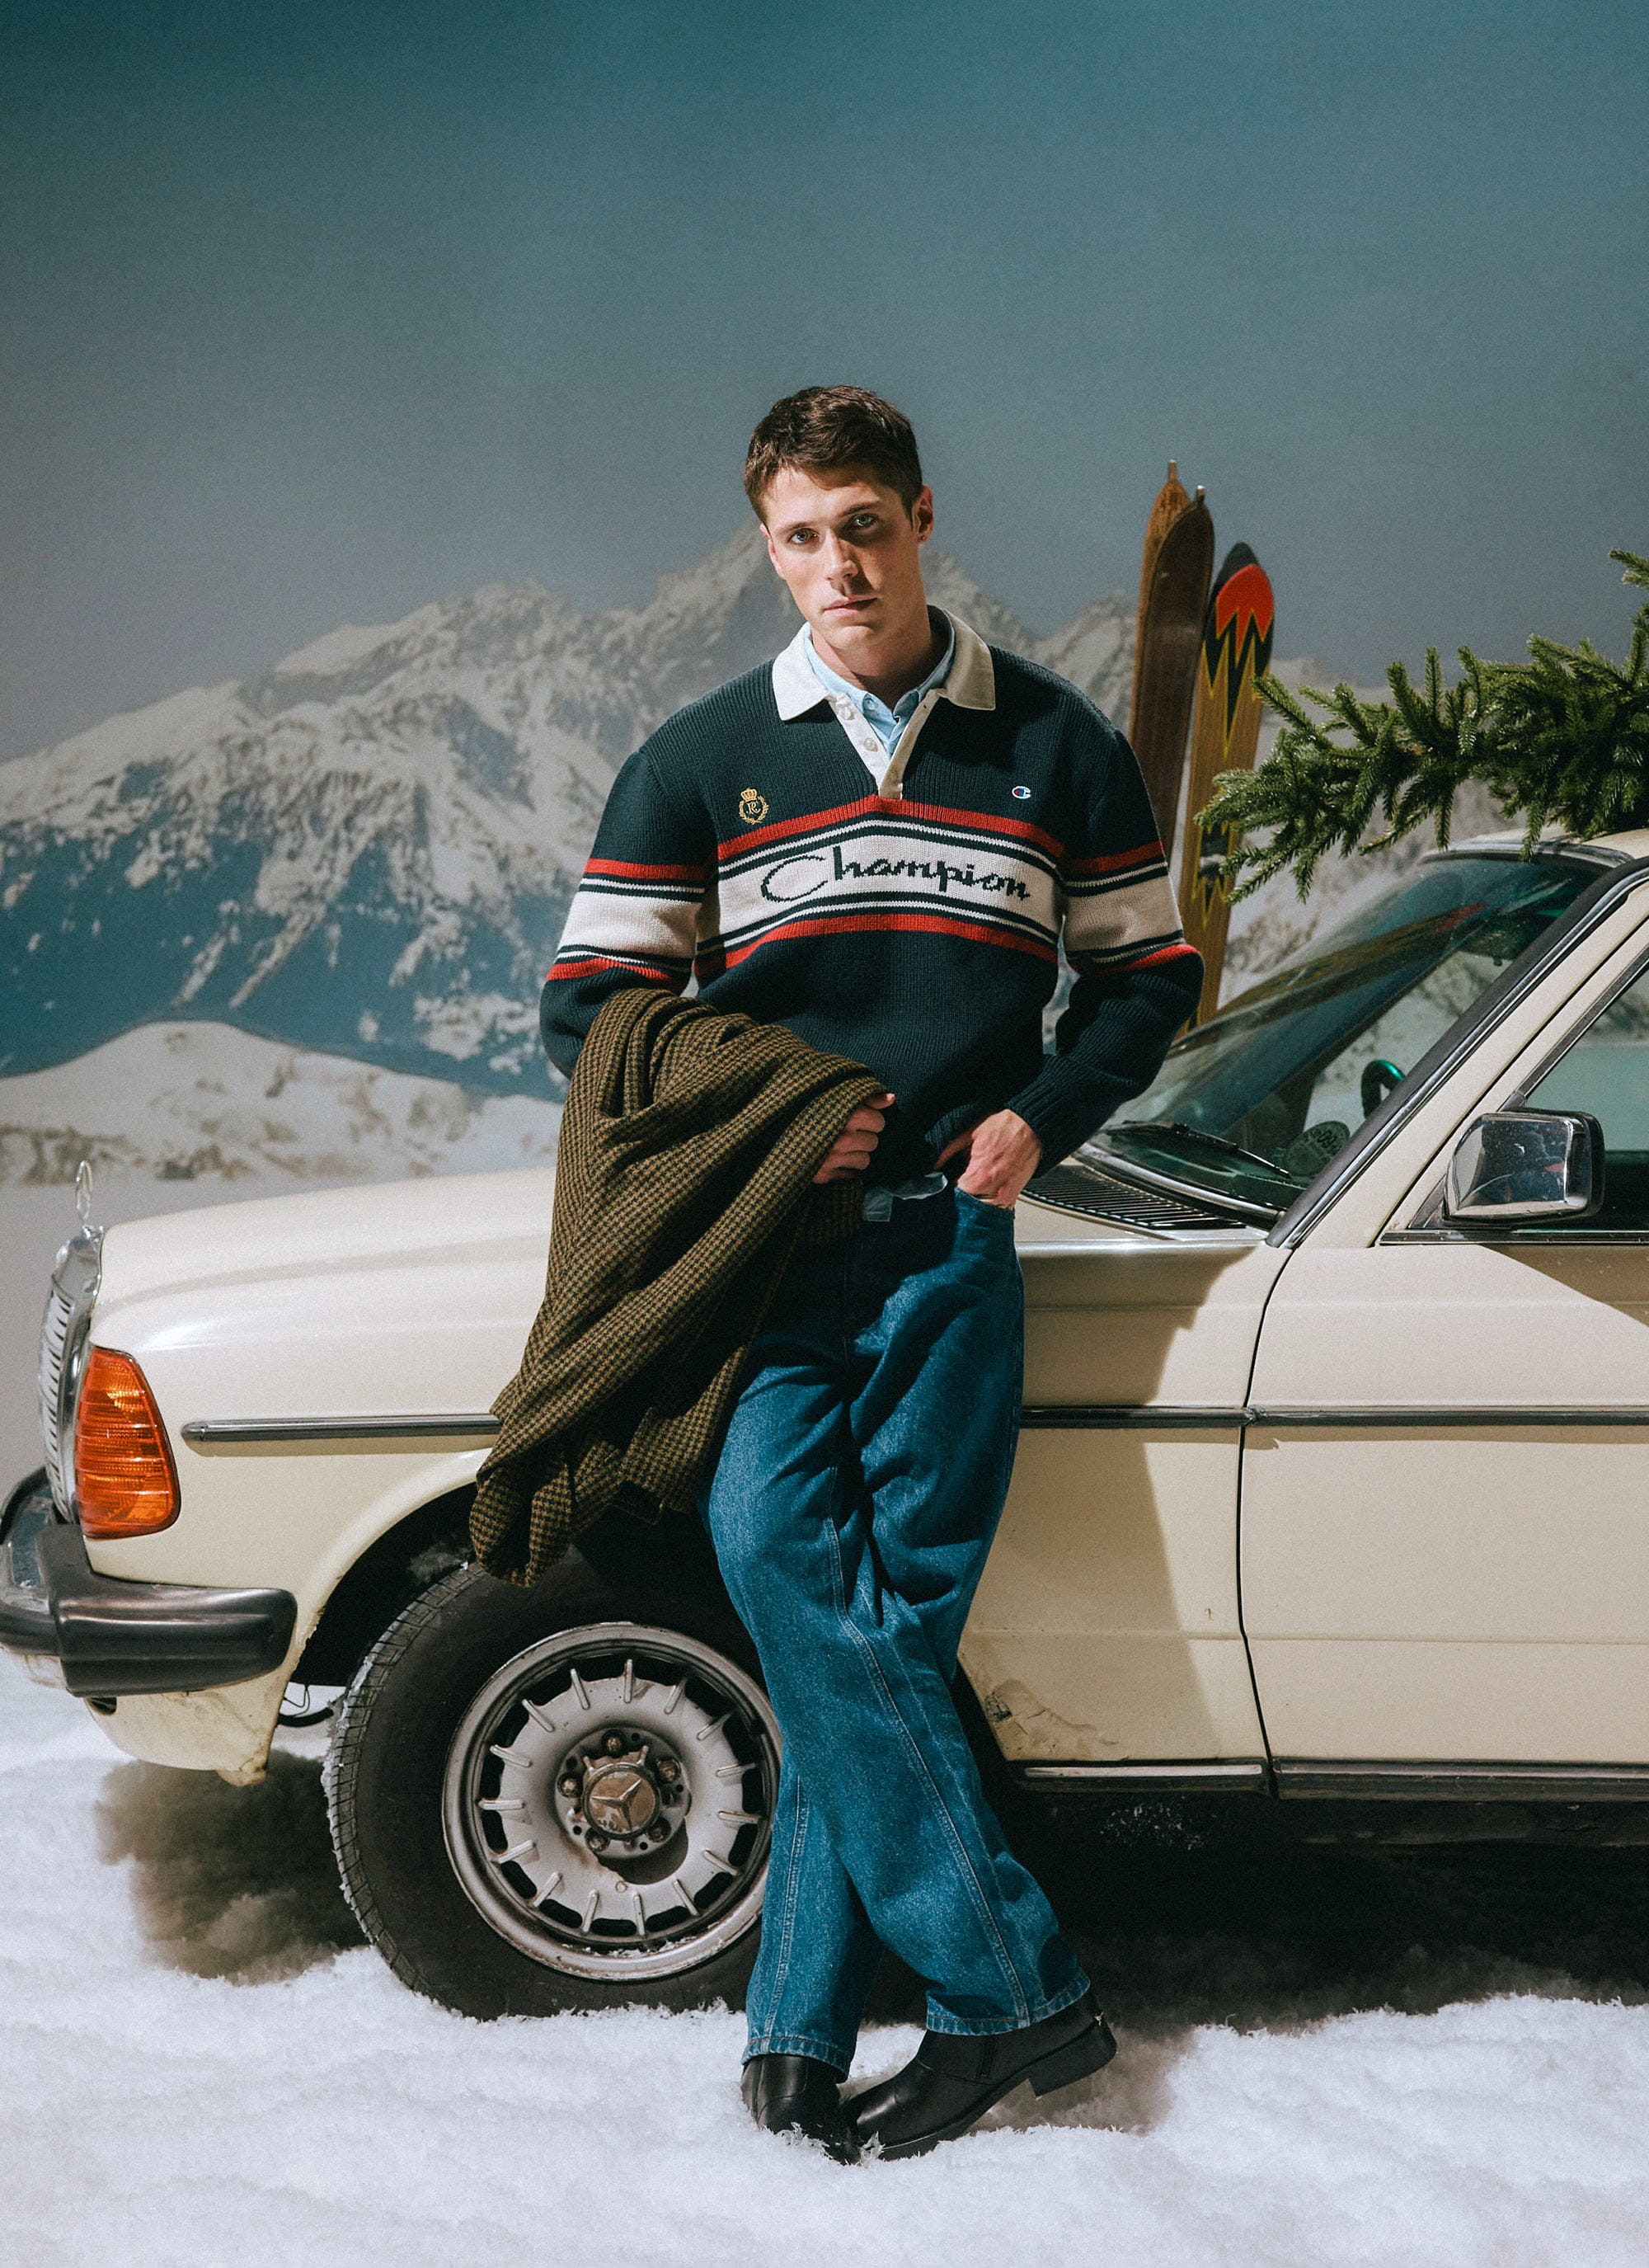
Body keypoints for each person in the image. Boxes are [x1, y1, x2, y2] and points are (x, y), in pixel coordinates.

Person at [542, 385, 1203, 2159]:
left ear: (921, 518)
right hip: (757, 1266)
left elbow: (1149, 975)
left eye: (865, 528)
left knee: (884, 1637)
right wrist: (761, 1111)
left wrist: (1039, 1121)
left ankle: (794, 2025)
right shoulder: (698, 759)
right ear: (767, 541)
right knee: (782, 1567)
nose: (836, 565)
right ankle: (1013, 1994)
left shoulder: (1053, 746)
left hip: (949, 1255)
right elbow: (590, 1005)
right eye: (798, 536)